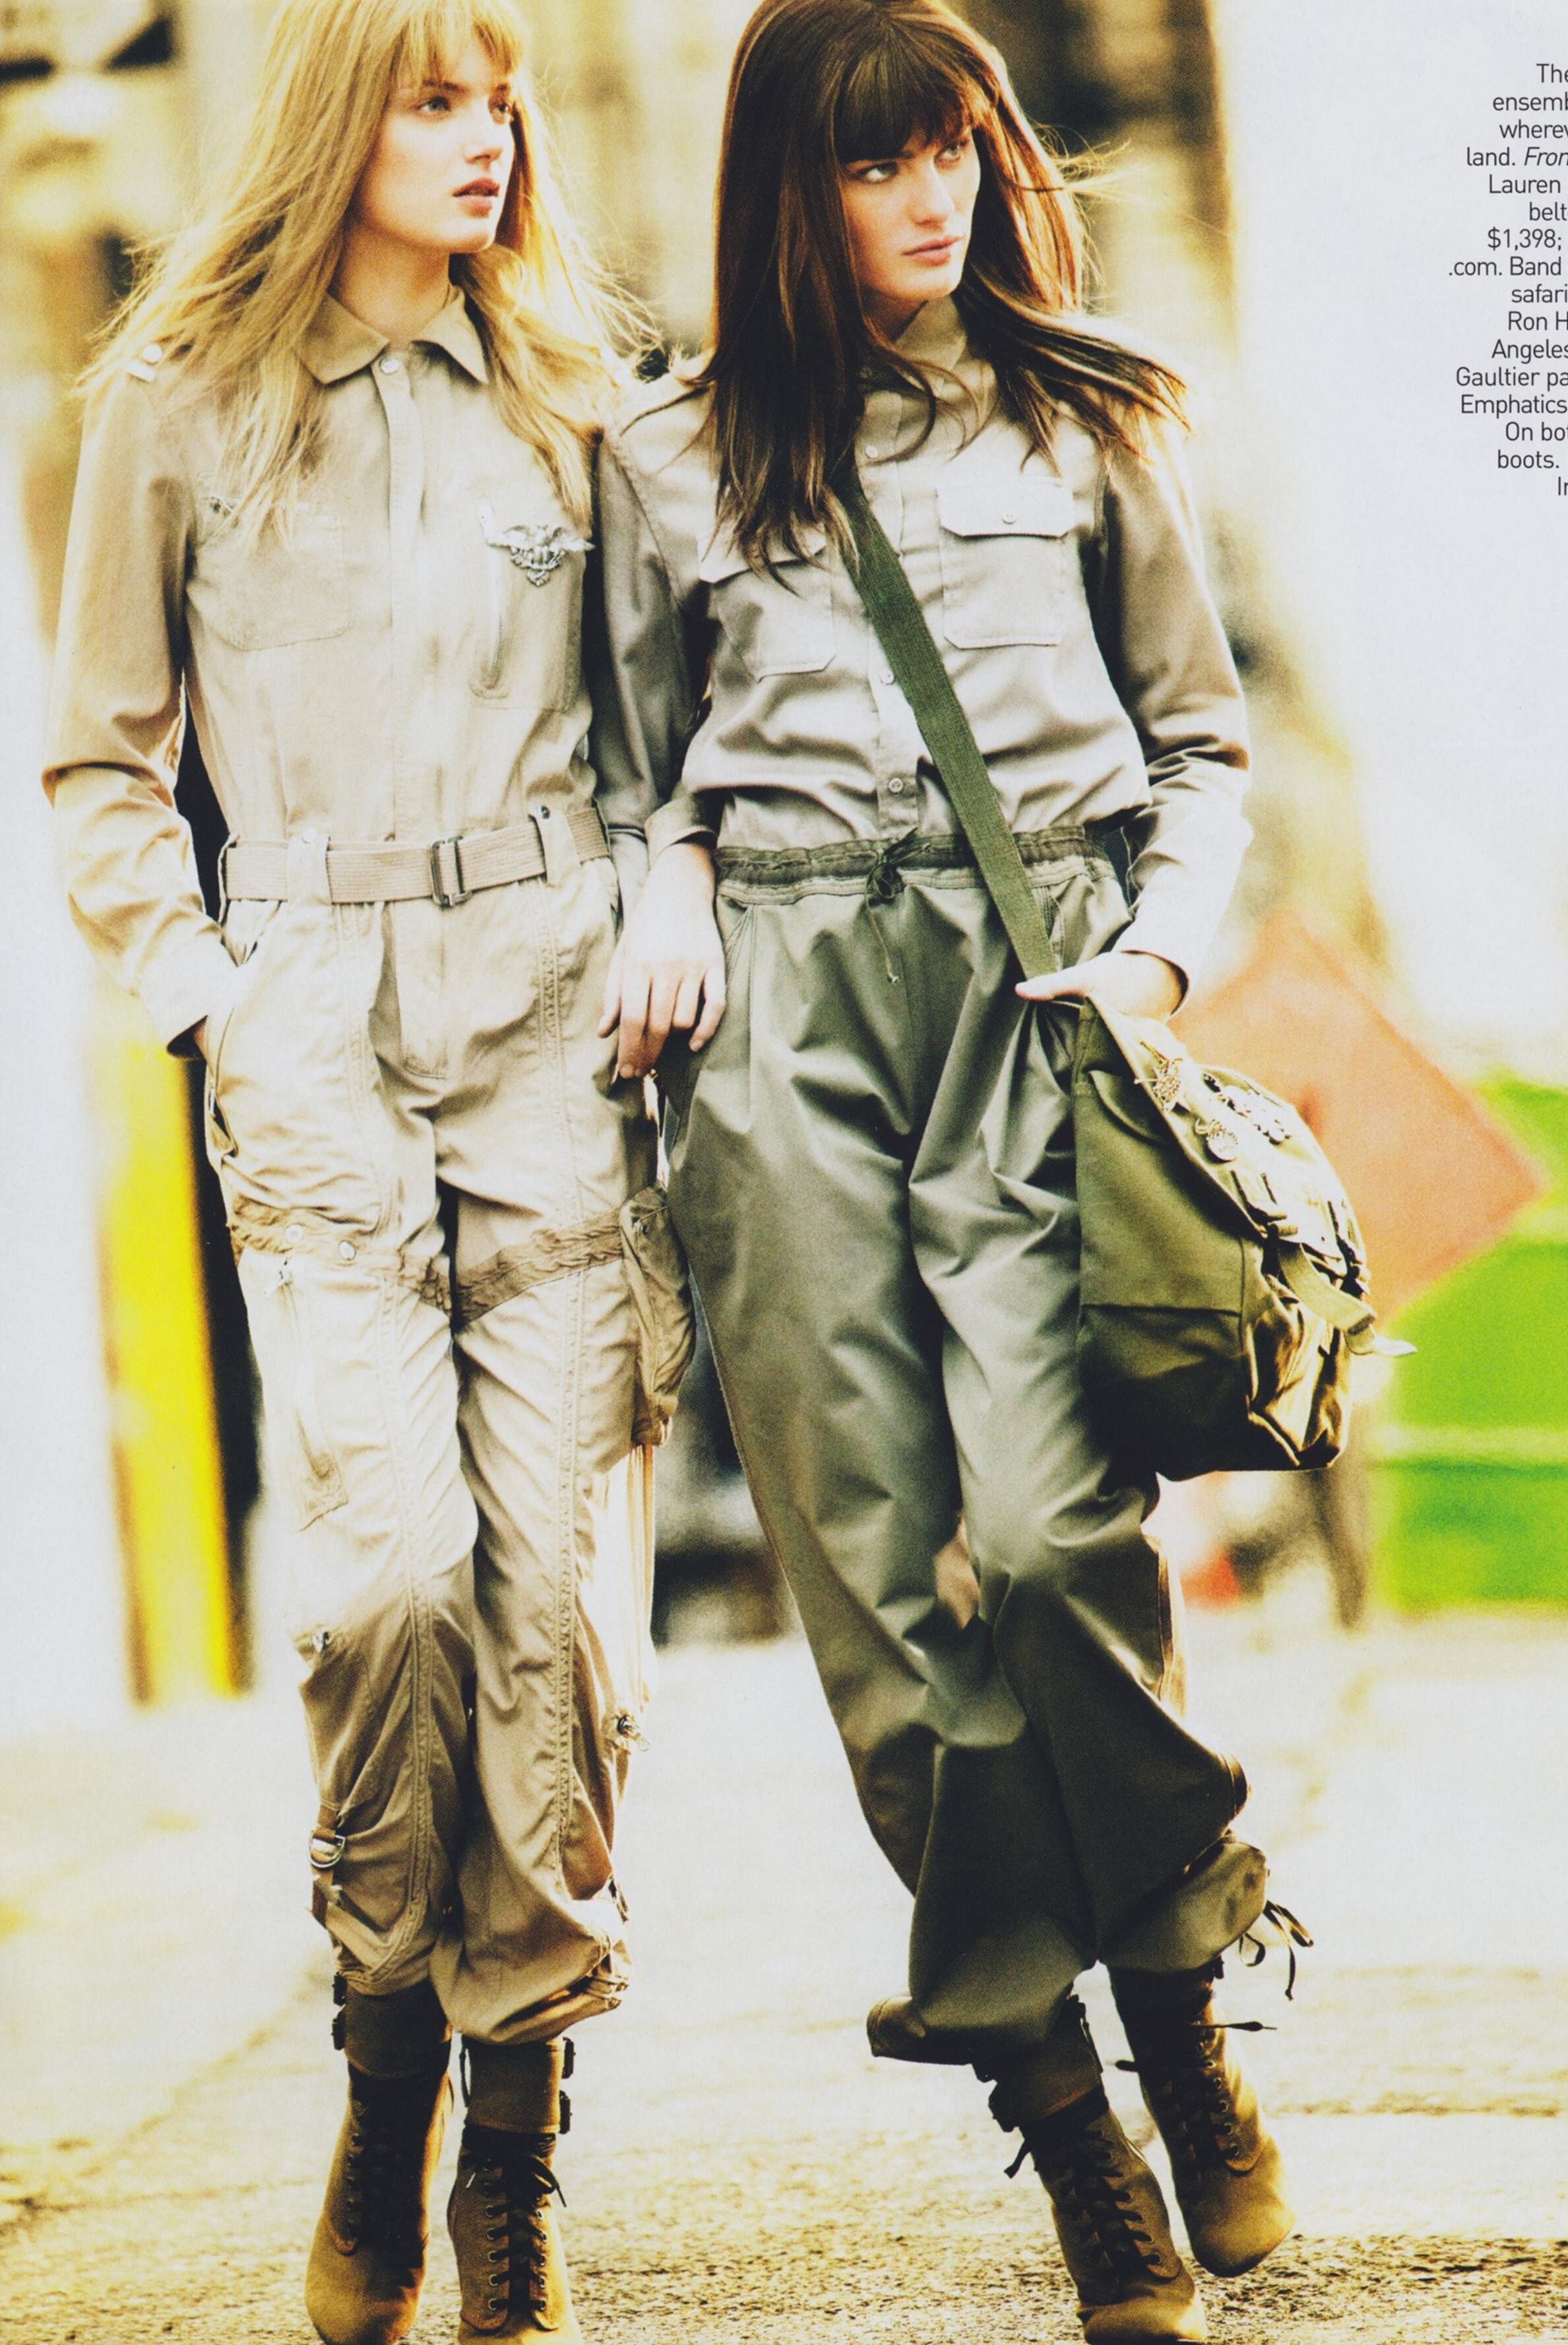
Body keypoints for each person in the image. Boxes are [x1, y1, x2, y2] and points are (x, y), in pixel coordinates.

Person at [594, 1, 1294, 2336]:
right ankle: (1070, 2116)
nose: (935, 199)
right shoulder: (669, 454)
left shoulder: (1094, 415)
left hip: (1039, 989)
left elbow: (1201, 742)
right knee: (890, 1592)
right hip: (784, 1019)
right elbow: (629, 760)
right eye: (880, 164)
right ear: (785, 192)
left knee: (1060, 1523)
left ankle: (1181, 1981)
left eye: (961, 154)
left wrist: (1159, 957)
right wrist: (670, 874)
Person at [42, 1, 690, 2337]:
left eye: (500, 98)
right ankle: (384, 2047)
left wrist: (673, 887)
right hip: (310, 1022)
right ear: (339, 118)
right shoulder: (179, 399)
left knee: (563, 1631)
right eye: (436, 99)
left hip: (553, 1030)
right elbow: (102, 761)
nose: (487, 135)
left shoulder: (579, 400)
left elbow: (674, 730)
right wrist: (206, 993)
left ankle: (511, 2147)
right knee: (389, 1589)